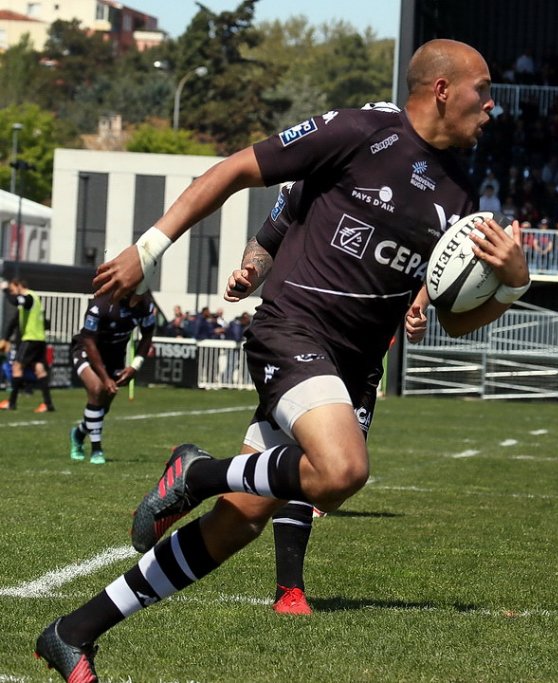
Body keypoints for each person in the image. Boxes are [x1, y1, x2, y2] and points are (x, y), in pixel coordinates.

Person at [34, 38, 531, 680]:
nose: (491, 106)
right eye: (482, 90)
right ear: (441, 89)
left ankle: (72, 631)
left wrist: (515, 284)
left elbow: (456, 319)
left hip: (351, 370)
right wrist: (147, 251)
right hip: (294, 331)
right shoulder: (360, 130)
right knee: (343, 469)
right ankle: (199, 470)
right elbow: (232, 169)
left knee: (236, 526)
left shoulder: (462, 198)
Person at [221, 179, 433, 615]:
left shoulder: (425, 199)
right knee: (317, 462)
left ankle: (197, 473)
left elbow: (430, 269)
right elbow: (266, 239)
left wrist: (420, 305)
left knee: (263, 502)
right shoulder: (315, 180)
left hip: (363, 359)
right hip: (305, 339)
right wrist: (250, 273)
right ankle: (289, 590)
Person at [68, 291, 157, 464]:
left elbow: (147, 337)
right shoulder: (100, 306)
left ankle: (78, 434)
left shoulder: (145, 306)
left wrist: (134, 367)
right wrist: (105, 377)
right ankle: (96, 449)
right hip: (86, 351)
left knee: (103, 407)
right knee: (97, 389)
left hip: (115, 357)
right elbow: (89, 342)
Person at [0, 278, 55, 413]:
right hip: (39, 339)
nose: (13, 294)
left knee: (17, 367)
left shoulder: (29, 298)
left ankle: (11, 403)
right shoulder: (35, 299)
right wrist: (6, 339)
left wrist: (5, 289)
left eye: (14, 290)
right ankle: (48, 404)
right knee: (40, 370)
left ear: (19, 287)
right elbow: (15, 321)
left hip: (31, 339)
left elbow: (14, 301)